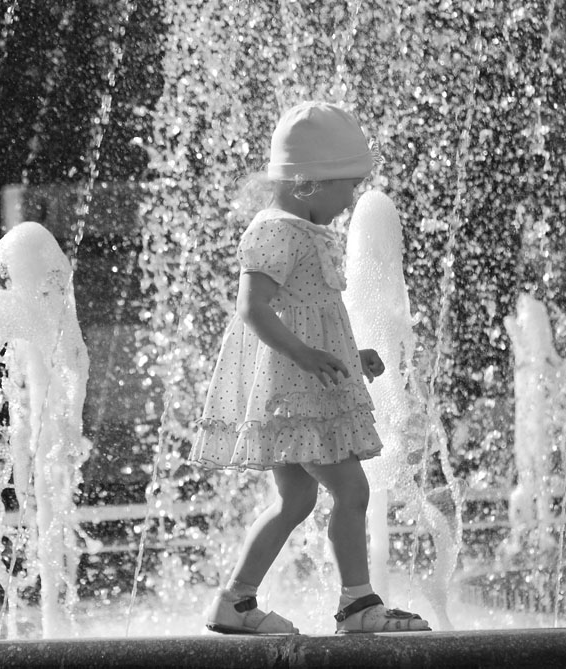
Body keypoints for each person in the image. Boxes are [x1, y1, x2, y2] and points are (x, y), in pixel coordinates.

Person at [190, 101, 431, 635]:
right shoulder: (279, 232)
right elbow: (253, 309)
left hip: (302, 387)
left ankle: (236, 601)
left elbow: (319, 313)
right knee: (352, 492)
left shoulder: (301, 228)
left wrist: (350, 355)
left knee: (297, 498)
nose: (351, 200)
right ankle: (359, 606)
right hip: (293, 391)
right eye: (346, 186)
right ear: (308, 184)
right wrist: (304, 356)